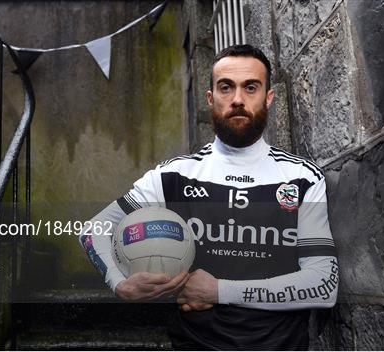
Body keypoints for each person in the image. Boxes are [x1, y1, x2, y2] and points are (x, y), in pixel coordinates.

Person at [79, 44, 338, 350]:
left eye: (250, 87)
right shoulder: (173, 176)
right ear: (211, 98)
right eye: (226, 87)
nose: (238, 99)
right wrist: (119, 284)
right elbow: (94, 229)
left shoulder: (303, 178)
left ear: (269, 98)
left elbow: (324, 285)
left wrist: (219, 291)